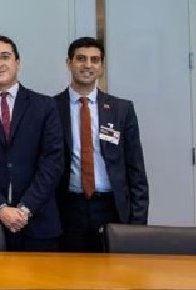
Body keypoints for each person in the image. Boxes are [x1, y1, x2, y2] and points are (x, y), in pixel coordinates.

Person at [0, 34, 64, 252]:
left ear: (18, 62)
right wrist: (0, 208)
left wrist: (25, 209)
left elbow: (52, 162)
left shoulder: (45, 106)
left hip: (38, 222)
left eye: (4, 57)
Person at [55, 37, 149, 252]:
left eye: (94, 60)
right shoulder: (51, 108)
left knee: (114, 270)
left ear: (102, 66)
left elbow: (136, 170)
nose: (87, 65)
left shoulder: (121, 109)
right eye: (81, 59)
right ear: (69, 63)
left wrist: (138, 222)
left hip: (112, 208)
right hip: (68, 209)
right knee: (70, 270)